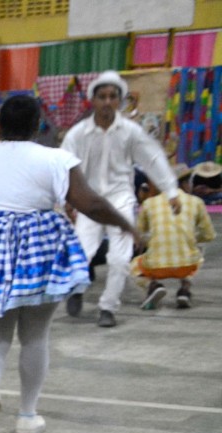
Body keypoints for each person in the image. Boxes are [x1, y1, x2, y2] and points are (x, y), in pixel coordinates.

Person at [0, 94, 139, 433]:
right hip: (42, 249)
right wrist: (127, 225)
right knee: (36, 336)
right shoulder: (55, 158)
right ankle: (27, 416)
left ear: (0, 125)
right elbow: (89, 203)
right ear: (37, 125)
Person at [61, 70, 182, 328]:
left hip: (121, 200)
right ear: (93, 100)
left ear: (120, 100)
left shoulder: (130, 131)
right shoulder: (78, 134)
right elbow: (62, 166)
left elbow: (153, 158)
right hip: (89, 203)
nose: (107, 101)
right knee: (82, 252)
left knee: (119, 257)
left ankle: (108, 308)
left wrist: (171, 190)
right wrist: (66, 198)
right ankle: (76, 289)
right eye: (102, 96)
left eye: (112, 96)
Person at [132, 164, 215, 310]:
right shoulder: (196, 202)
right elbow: (209, 235)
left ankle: (153, 285)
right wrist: (192, 239)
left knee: (133, 264)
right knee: (199, 249)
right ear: (184, 183)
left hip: (156, 266)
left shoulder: (149, 203)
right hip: (186, 266)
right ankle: (185, 289)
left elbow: (139, 234)